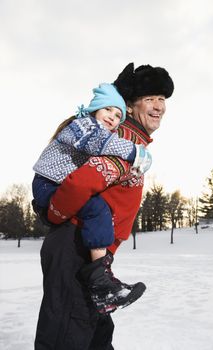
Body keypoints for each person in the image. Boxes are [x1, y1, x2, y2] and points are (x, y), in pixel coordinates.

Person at [34, 63, 174, 350]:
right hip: (74, 248)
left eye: (162, 99)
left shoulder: (130, 141)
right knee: (67, 337)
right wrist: (55, 215)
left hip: (92, 255)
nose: (158, 106)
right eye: (150, 99)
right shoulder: (122, 141)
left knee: (97, 337)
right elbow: (80, 182)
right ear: (132, 107)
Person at [32, 82, 150, 314]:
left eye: (118, 116)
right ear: (95, 108)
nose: (113, 118)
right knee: (97, 208)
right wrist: (137, 152)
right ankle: (100, 280)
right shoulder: (83, 126)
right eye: (108, 110)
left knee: (98, 208)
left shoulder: (96, 130)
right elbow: (100, 143)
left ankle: (103, 281)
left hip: (56, 185)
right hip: (48, 184)